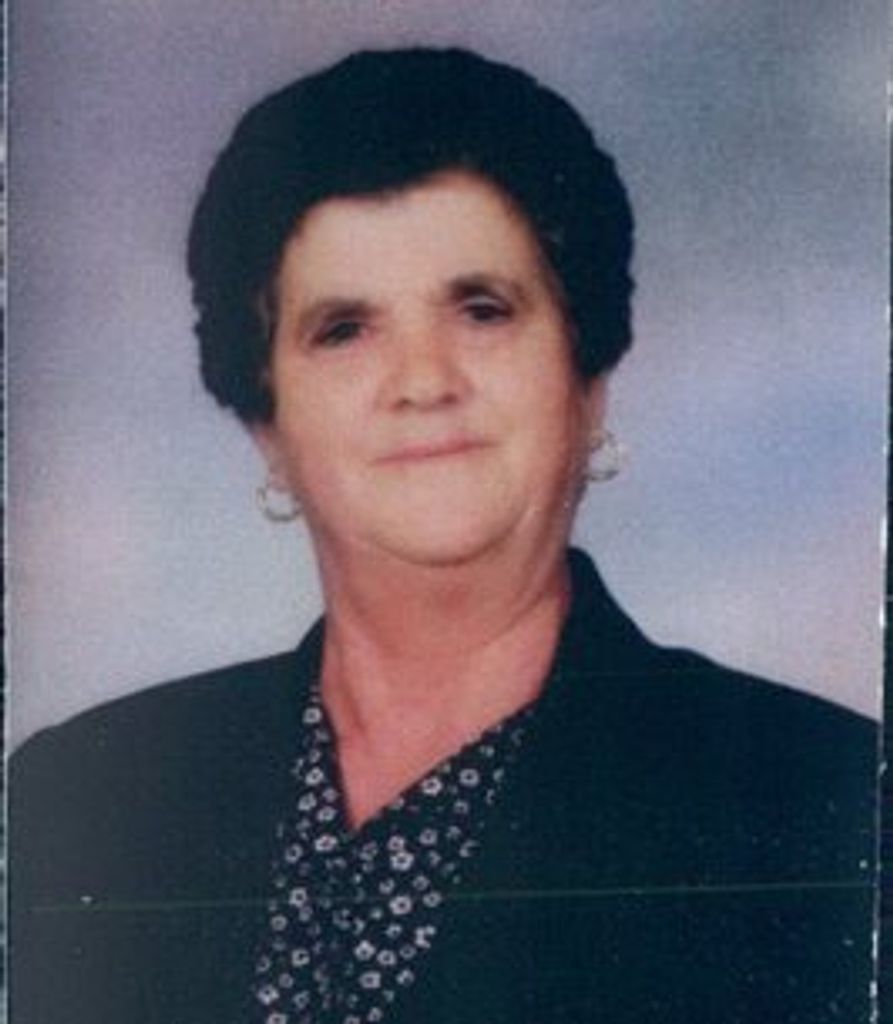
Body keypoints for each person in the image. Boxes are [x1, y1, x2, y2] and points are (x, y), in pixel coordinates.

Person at [10, 48, 877, 1024]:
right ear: (267, 426)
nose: (423, 381)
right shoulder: (83, 792)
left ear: (587, 382)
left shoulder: (820, 803)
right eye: (344, 329)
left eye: (481, 310)